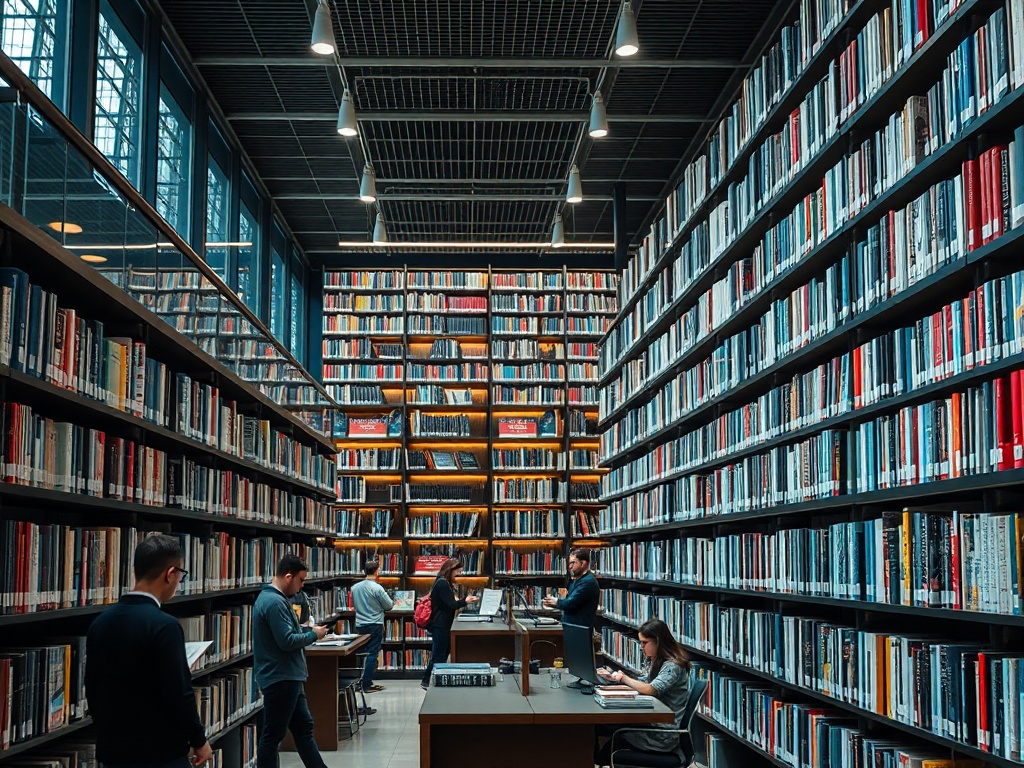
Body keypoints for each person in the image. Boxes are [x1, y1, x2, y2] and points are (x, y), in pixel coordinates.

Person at [86, 533, 213, 768]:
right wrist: (199, 740)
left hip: (114, 752)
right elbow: (179, 694)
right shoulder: (164, 626)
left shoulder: (100, 624)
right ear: (170, 574)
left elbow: (92, 689)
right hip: (160, 753)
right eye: (181, 576)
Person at [253, 554, 329, 768]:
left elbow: (286, 632)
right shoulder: (274, 602)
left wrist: (307, 630)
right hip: (281, 678)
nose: (302, 586)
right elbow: (286, 641)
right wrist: (315, 635)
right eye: (301, 580)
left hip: (289, 676)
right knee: (272, 736)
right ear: (289, 577)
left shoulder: (274, 600)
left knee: (304, 729)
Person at [594, 618, 692, 766]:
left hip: (661, 735)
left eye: (645, 643)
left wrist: (624, 679)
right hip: (652, 724)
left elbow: (651, 689)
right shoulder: (656, 659)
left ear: (658, 642)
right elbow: (644, 681)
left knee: (608, 732)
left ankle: (593, 760)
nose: (641, 647)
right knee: (601, 727)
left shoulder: (673, 666)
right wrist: (614, 676)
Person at [419, 558, 478, 690]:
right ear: (450, 570)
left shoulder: (442, 582)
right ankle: (429, 680)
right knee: (439, 653)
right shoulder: (442, 583)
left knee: (441, 652)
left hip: (441, 624)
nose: (457, 574)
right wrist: (465, 601)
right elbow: (451, 605)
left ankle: (429, 680)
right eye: (457, 571)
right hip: (440, 624)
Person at [350, 559, 393, 693]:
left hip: (360, 624)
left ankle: (358, 681)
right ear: (376, 571)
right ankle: (366, 684)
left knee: (360, 652)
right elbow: (389, 605)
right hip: (375, 623)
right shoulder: (377, 588)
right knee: (372, 654)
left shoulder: (354, 588)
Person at [542, 546, 599, 627]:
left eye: (573, 563)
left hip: (579, 631)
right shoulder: (578, 580)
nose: (570, 567)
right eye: (569, 563)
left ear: (583, 563)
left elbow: (570, 604)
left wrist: (556, 602)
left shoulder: (588, 582)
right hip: (573, 627)